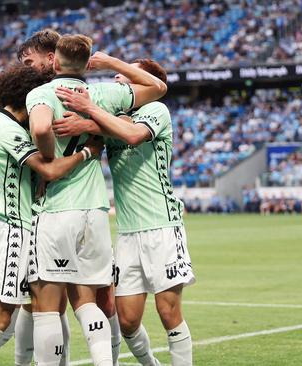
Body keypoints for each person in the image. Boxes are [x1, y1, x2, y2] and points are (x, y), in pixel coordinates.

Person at [26, 34, 167, 366]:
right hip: (96, 209)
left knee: (47, 303)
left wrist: (48, 162)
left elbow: (43, 128)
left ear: (55, 62)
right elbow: (158, 88)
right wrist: (113, 64)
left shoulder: (42, 93)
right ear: (86, 64)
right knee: (90, 301)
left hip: (57, 208)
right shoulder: (105, 92)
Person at [55, 58, 195, 366]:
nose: (118, 82)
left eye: (125, 77)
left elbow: (131, 135)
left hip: (162, 226)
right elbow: (105, 130)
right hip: (128, 233)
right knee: (128, 321)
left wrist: (91, 110)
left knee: (168, 311)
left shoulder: (157, 111)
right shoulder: (113, 118)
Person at [0, 63, 104, 366]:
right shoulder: (7, 129)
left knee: (32, 305)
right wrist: (87, 153)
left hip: (14, 225)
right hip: (11, 227)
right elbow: (49, 169)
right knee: (1, 312)